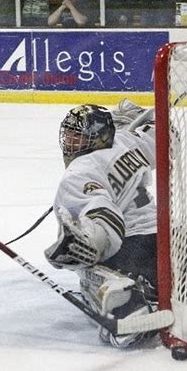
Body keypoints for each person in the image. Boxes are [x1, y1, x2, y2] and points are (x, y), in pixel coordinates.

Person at [44, 100, 158, 348]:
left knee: (89, 269)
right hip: (163, 238)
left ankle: (129, 311)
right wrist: (140, 116)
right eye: (69, 135)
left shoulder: (78, 174)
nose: (70, 144)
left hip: (131, 245)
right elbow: (162, 137)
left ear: (98, 137)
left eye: (78, 138)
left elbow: (104, 214)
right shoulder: (128, 140)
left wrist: (85, 242)